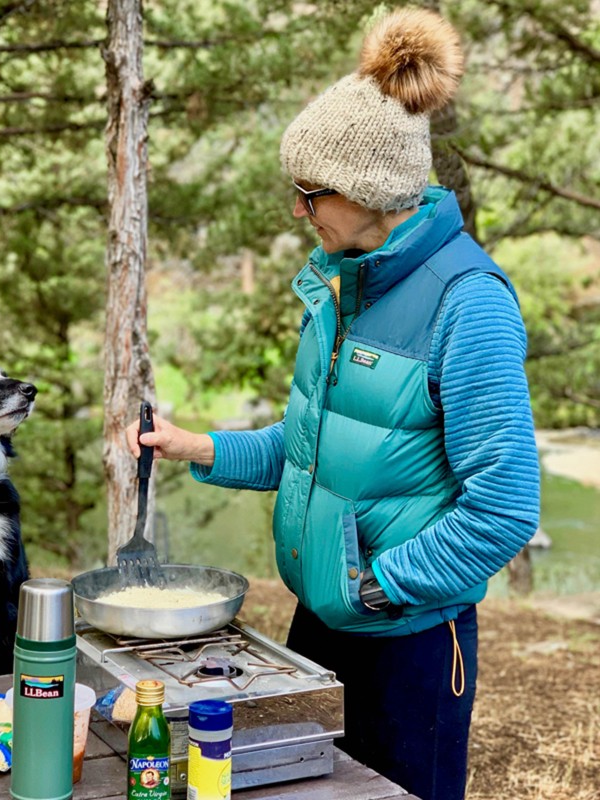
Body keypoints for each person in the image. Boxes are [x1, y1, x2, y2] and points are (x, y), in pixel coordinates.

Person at [126, 8, 540, 800]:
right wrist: (200, 448)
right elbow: (313, 444)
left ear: (371, 192)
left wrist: (374, 585)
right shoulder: (342, 286)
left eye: (309, 193)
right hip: (318, 628)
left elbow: (506, 508)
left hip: (411, 642)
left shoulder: (469, 302)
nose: (298, 210)